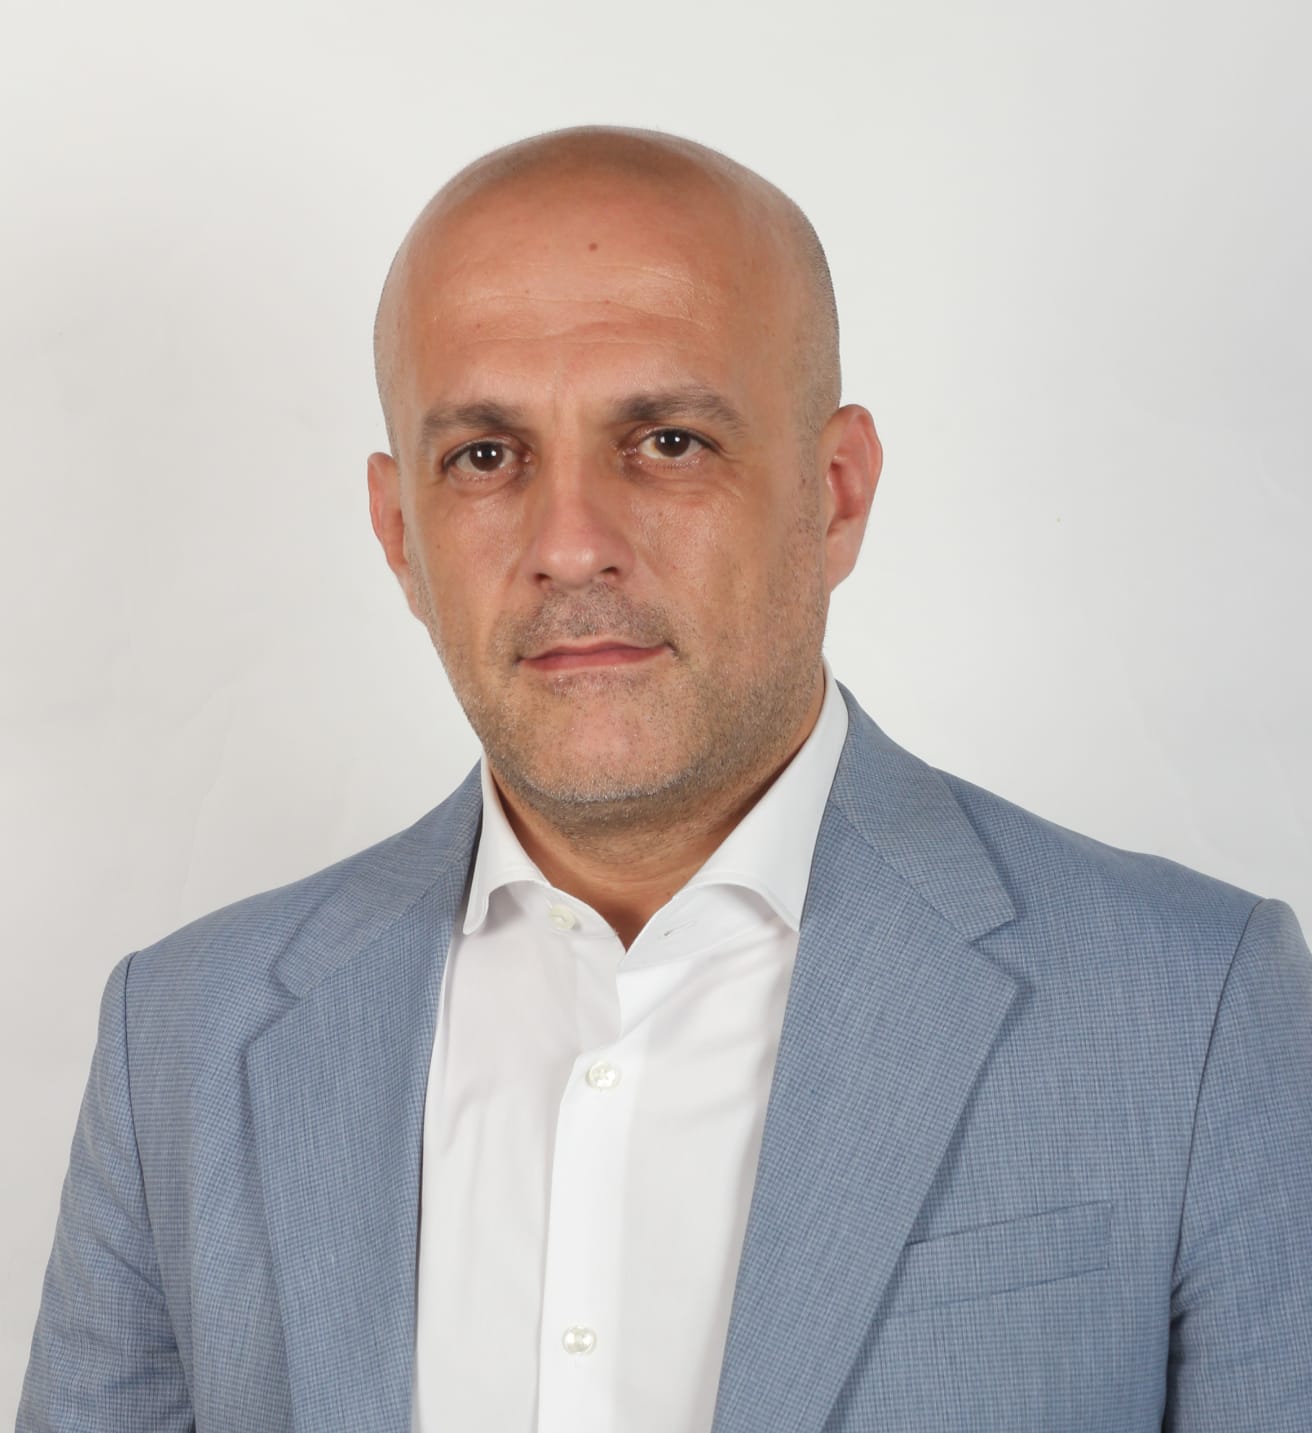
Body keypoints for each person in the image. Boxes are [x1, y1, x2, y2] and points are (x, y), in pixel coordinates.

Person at [16, 125, 1312, 1433]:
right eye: (485, 456)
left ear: (835, 493)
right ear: (400, 533)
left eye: (670, 441)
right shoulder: (179, 1040)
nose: (571, 543)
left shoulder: (1196, 1013)